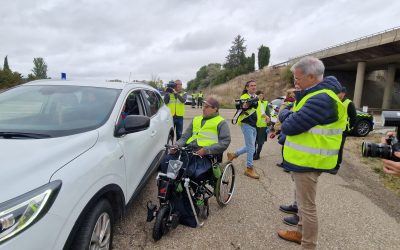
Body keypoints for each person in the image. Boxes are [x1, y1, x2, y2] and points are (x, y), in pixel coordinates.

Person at [277, 57, 347, 249]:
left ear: (311, 76)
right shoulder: (314, 94)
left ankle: (308, 244)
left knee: (307, 206)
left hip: (310, 160)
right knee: (302, 202)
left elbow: (290, 125)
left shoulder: (321, 98)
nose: (295, 82)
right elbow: (295, 115)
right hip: (305, 159)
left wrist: (284, 115)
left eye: (297, 78)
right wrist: (290, 113)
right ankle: (300, 233)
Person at [161, 96, 231, 175]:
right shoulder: (196, 119)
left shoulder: (221, 122)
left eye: (207, 107)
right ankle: (171, 185)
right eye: (203, 106)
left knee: (188, 173)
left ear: (215, 109)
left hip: (206, 155)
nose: (203, 109)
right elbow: (185, 137)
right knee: (166, 161)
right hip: (189, 150)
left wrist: (205, 150)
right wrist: (177, 145)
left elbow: (225, 142)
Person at [227, 80, 260, 179]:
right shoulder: (244, 97)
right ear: (247, 88)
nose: (254, 87)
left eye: (255, 85)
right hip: (247, 124)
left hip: (254, 124)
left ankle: (233, 155)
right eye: (251, 86)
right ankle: (249, 169)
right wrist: (245, 105)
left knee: (250, 146)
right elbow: (243, 106)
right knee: (251, 147)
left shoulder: (255, 97)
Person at [334, 86, 357, 172]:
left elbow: (353, 117)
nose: (337, 94)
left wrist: (350, 128)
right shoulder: (335, 101)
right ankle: (330, 163)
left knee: (339, 148)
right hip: (333, 130)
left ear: (343, 93)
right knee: (332, 147)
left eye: (338, 93)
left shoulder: (349, 103)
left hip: (342, 130)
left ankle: (336, 165)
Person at [253, 90, 270, 160]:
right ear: (256, 96)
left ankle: (258, 154)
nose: (261, 97)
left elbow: (268, 114)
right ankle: (253, 153)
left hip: (262, 125)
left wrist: (268, 125)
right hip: (254, 124)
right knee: (253, 141)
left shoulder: (265, 103)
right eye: (259, 95)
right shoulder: (254, 103)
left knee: (260, 141)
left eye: (262, 95)